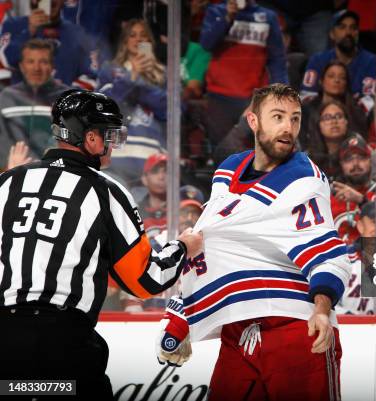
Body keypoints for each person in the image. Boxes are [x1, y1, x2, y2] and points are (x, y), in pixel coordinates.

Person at [0, 89, 203, 400]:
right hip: (64, 345)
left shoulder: (8, 182)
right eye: (108, 134)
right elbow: (147, 280)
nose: (112, 144)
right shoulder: (105, 192)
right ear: (91, 138)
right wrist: (184, 247)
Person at [156, 83, 351, 401]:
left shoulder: (304, 179)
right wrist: (180, 317)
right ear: (253, 121)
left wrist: (322, 309)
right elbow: (213, 240)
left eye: (295, 118)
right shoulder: (229, 168)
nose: (288, 127)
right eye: (278, 117)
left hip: (296, 327)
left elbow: (326, 249)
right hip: (238, 330)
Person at [199, 0, 288, 160]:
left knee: (250, 157)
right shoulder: (216, 11)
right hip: (219, 96)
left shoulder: (268, 17)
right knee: (221, 154)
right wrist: (227, 18)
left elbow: (277, 59)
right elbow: (206, 43)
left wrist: (282, 92)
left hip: (252, 99)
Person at [97, 18, 167, 187]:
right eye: (132, 35)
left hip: (153, 159)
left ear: (150, 41)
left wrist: (139, 83)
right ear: (125, 41)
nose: (138, 40)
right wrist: (131, 76)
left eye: (144, 35)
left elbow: (172, 110)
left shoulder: (165, 73)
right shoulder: (110, 70)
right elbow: (103, 107)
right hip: (117, 157)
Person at [0, 39, 69, 166]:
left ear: (52, 66)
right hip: (12, 172)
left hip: (54, 173)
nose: (36, 68)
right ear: (21, 66)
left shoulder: (68, 98)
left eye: (43, 62)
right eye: (30, 61)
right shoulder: (6, 97)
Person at [0, 0, 98, 89]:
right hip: (23, 104)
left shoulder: (77, 33)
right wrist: (29, 32)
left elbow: (91, 76)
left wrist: (67, 94)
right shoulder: (12, 25)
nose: (50, 1)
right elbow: (5, 62)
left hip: (61, 105)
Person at [331, 134, 376, 245]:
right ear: (341, 164)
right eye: (348, 159)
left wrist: (362, 201)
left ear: (370, 160)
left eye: (361, 157)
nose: (355, 164)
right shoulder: (330, 198)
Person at [301, 9, 376, 101]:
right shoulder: (317, 60)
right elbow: (306, 96)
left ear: (357, 33)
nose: (348, 32)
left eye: (353, 28)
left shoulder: (371, 61)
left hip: (356, 114)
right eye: (342, 27)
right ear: (332, 34)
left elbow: (370, 100)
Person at [301, 60, 368, 141]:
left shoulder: (356, 112)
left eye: (342, 77)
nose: (337, 80)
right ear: (321, 81)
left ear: (346, 83)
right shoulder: (307, 110)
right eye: (331, 76)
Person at [303, 99, 354, 180]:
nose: (334, 121)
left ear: (346, 122)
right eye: (327, 118)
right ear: (318, 124)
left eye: (339, 116)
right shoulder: (308, 159)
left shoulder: (358, 152)